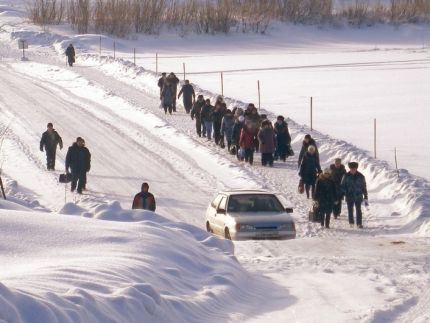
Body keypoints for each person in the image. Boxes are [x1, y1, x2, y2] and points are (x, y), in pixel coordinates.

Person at [341, 162, 368, 229]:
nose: (353, 170)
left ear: (356, 168)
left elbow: (364, 186)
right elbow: (342, 186)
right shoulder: (346, 176)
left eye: (354, 169)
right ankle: (351, 222)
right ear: (349, 168)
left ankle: (359, 223)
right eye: (351, 169)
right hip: (349, 195)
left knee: (358, 209)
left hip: (358, 195)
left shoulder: (361, 176)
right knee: (350, 209)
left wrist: (365, 195)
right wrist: (343, 193)